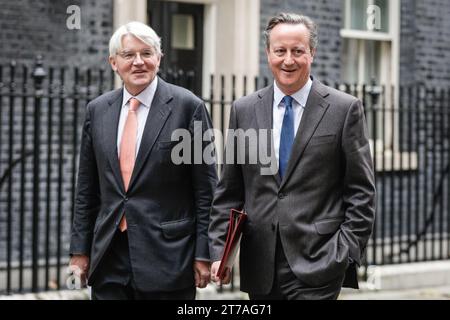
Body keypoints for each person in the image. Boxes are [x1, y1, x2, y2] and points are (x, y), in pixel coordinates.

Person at [209, 12, 375, 300]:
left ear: (311, 53)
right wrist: (219, 252)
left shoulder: (343, 109)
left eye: (298, 51)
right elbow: (230, 190)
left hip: (320, 262)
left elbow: (361, 192)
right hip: (260, 264)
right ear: (268, 53)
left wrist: (345, 252)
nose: (288, 60)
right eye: (280, 51)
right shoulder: (243, 109)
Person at [69, 21, 217, 300]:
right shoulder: (97, 110)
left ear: (158, 59)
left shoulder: (189, 107)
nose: (138, 62)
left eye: (147, 53)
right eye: (128, 55)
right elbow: (86, 189)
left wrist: (204, 253)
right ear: (114, 62)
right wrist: (79, 252)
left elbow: (206, 190)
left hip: (169, 259)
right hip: (109, 256)